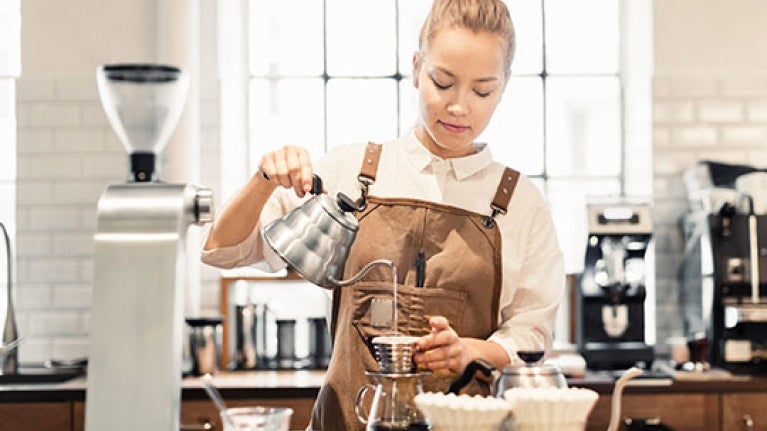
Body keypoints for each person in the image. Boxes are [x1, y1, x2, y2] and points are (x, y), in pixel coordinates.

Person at [202, 0, 565, 429]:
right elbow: (223, 251)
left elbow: (532, 331)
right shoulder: (349, 172)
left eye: (481, 90)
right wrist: (263, 179)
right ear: (416, 68)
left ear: (503, 88)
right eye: (443, 82)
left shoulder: (520, 203)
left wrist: (469, 351)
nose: (458, 107)